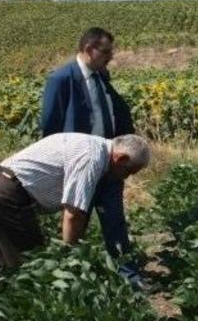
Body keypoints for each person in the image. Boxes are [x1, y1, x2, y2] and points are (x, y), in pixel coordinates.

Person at [0, 133, 151, 280]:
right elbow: (73, 214)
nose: (126, 178)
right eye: (128, 171)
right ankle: (19, 315)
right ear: (120, 158)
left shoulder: (93, 146)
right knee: (33, 264)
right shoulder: (91, 159)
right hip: (6, 194)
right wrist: (70, 259)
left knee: (3, 261)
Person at [40, 27, 135, 260]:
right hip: (80, 164)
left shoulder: (102, 77)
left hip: (108, 162)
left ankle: (127, 274)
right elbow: (51, 128)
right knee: (76, 219)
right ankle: (73, 271)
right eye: (106, 52)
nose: (110, 57)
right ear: (89, 49)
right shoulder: (61, 79)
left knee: (115, 220)